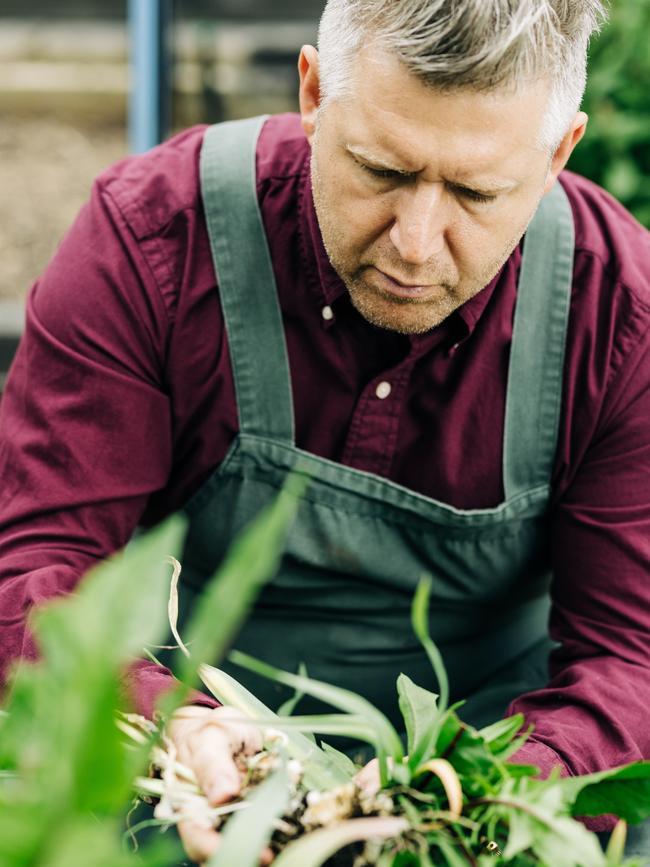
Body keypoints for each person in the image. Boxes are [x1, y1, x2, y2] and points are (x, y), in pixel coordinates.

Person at [1, 0, 649, 861]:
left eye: (474, 192)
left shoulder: (620, 315)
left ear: (560, 152)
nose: (416, 245)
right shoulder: (155, 241)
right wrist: (171, 731)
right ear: (313, 92)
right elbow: (36, 566)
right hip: (182, 777)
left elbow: (630, 661)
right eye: (380, 171)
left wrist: (468, 803)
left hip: (491, 781)